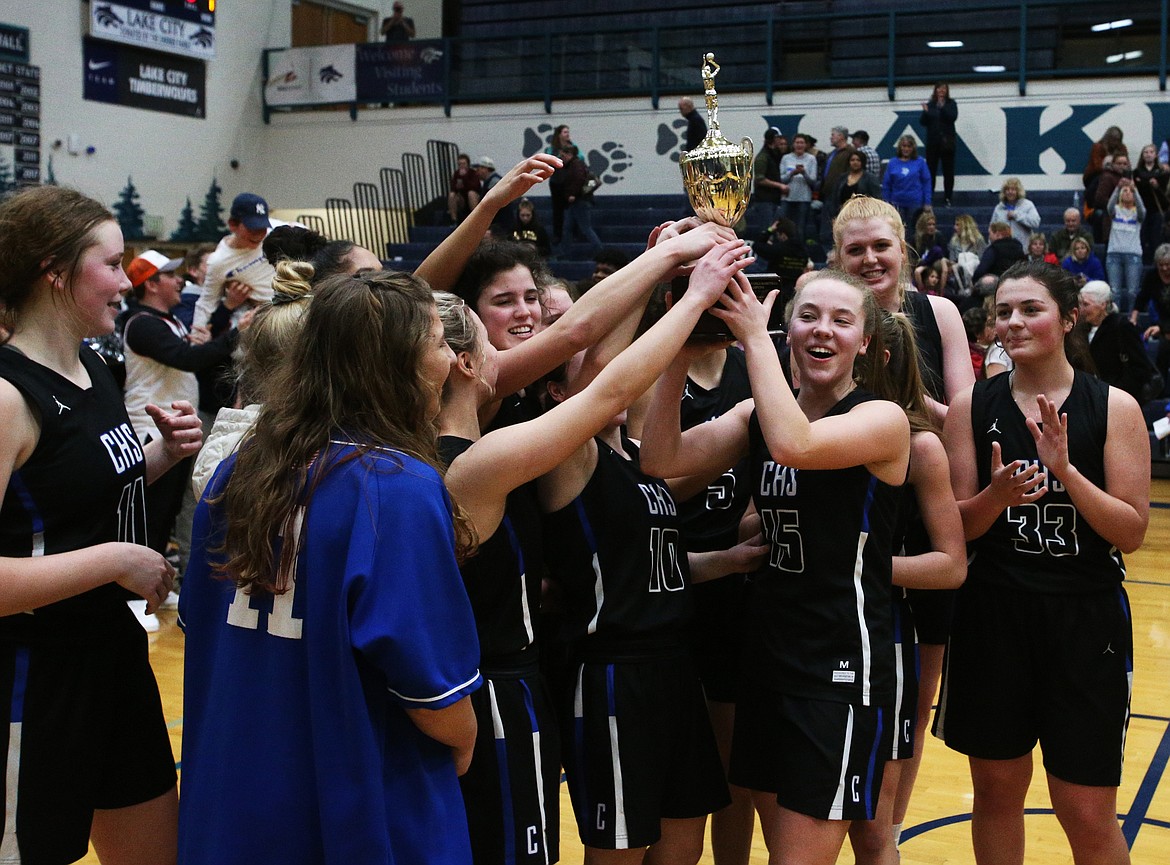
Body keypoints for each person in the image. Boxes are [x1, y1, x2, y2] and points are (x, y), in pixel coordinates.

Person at [436, 237, 756, 865]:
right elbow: (601, 375)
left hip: (674, 665)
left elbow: (643, 567)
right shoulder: (566, 456)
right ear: (559, 395)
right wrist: (681, 297)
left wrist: (731, 561)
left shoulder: (639, 458)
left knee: (682, 850)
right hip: (611, 672)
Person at [179, 270, 482, 865]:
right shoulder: (397, 487)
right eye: (440, 342)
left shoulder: (235, 471)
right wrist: (465, 735)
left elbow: (201, 627)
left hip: (235, 794)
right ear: (398, 364)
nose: (451, 357)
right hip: (356, 797)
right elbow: (433, 691)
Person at [640, 269, 911, 865]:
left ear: (865, 343)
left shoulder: (882, 419)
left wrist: (755, 340)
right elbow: (661, 459)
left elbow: (798, 445)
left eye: (843, 321)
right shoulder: (756, 413)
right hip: (766, 655)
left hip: (838, 667)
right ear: (790, 326)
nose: (823, 330)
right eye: (809, 315)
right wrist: (679, 355)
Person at [0, 185, 202, 865]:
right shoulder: (6, 397)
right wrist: (117, 559)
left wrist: (162, 455)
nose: (127, 282)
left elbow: (71, 495)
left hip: (114, 657)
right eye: (112, 265)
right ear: (55, 272)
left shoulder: (91, 365)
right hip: (34, 676)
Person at [937, 260, 1149, 865]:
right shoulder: (970, 407)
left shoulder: (1114, 407)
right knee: (997, 793)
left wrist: (1064, 470)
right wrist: (994, 497)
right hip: (993, 616)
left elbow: (1130, 532)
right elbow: (959, 528)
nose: (1014, 322)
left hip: (1085, 622)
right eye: (1003, 311)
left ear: (1068, 317)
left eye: (1031, 309)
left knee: (1084, 806)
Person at [832, 196, 975, 841]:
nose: (868, 260)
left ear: (903, 252)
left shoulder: (937, 311)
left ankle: (886, 831)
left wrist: (912, 412)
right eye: (855, 250)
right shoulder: (823, 315)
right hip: (844, 506)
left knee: (913, 707)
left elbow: (962, 420)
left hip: (920, 507)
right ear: (838, 255)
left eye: (879, 248)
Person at [193, 192, 280, 329]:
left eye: (262, 227)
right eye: (252, 228)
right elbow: (207, 302)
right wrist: (197, 335)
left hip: (294, 302)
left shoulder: (275, 231)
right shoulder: (219, 261)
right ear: (233, 225)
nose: (258, 234)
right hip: (263, 314)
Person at [1079, 279, 1164, 403]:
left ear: (1103, 304)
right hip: (1092, 398)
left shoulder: (1122, 326)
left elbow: (1140, 368)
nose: (1081, 309)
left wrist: (1114, 393)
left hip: (1117, 400)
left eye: (1086, 305)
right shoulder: (1082, 329)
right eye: (1080, 304)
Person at [1131, 242, 1170, 389]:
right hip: (1163, 322)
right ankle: (1160, 388)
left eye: (1168, 265)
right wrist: (1134, 317)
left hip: (1163, 325)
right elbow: (1142, 298)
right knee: (1162, 349)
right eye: (1161, 265)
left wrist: (1161, 327)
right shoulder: (1152, 276)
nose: (1165, 268)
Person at [1105, 177, 1146, 313]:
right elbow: (1109, 206)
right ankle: (1115, 320)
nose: (1127, 193)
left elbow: (1143, 211)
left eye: (1130, 191)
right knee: (1115, 291)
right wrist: (1117, 188)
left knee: (1132, 292)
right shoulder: (1115, 210)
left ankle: (1130, 320)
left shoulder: (1137, 214)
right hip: (1114, 254)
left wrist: (1136, 192)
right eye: (1125, 191)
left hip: (1133, 254)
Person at [555, 144, 601, 258]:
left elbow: (578, 179)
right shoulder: (576, 164)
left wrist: (573, 194)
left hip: (578, 201)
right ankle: (564, 252)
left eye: (563, 155)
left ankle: (599, 250)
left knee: (584, 228)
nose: (562, 158)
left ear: (569, 154)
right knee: (568, 228)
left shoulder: (576, 165)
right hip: (577, 201)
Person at [881, 136, 932, 230]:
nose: (906, 149)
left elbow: (926, 183)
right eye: (904, 146)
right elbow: (886, 185)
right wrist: (886, 203)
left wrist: (927, 202)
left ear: (913, 148)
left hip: (915, 203)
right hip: (896, 203)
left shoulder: (920, 162)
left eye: (909, 146)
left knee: (914, 230)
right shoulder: (892, 163)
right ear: (900, 147)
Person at [920, 82, 958, 206]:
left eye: (944, 89)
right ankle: (929, 197)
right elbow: (923, 122)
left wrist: (942, 108)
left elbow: (952, 117)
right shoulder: (930, 105)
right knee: (930, 171)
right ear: (935, 90)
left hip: (947, 144)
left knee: (948, 172)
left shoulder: (951, 104)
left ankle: (948, 197)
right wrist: (926, 112)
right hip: (933, 143)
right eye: (939, 89)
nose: (941, 91)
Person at [779, 133, 818, 244]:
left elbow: (813, 181)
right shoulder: (786, 158)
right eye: (797, 142)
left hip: (804, 198)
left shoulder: (811, 159)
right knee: (784, 227)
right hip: (787, 198)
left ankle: (799, 253)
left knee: (800, 228)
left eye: (802, 143)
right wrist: (792, 173)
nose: (799, 145)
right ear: (793, 144)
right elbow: (781, 179)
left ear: (806, 145)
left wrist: (804, 173)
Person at [1133, 143, 1169, 262]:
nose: (1148, 155)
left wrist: (1157, 186)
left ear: (1156, 155)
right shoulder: (1136, 172)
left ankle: (1156, 263)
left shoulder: (1162, 172)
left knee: (1156, 239)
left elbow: (1164, 196)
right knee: (1142, 238)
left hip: (1157, 210)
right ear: (1142, 156)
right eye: (1146, 152)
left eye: (1151, 152)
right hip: (1141, 210)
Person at [989, 178, 1041, 248]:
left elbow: (1035, 222)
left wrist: (1016, 215)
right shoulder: (999, 208)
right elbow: (992, 229)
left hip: (1023, 249)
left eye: (1013, 189)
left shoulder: (1027, 205)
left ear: (1018, 191)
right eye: (1007, 190)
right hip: (1003, 250)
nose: (1010, 192)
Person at [545, 126, 575, 243]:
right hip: (556, 182)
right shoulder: (552, 148)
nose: (567, 134)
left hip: (568, 181)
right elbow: (548, 160)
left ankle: (570, 233)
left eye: (568, 132)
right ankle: (558, 234)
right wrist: (559, 157)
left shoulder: (572, 146)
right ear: (559, 134)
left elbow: (580, 158)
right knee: (557, 210)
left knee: (570, 209)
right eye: (565, 132)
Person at [449, 153, 483, 225]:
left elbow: (475, 186)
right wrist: (457, 187)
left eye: (464, 164)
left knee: (471, 193)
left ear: (468, 164)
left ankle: (475, 218)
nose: (462, 166)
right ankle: (453, 220)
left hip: (473, 197)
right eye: (460, 164)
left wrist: (464, 178)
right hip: (462, 198)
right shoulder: (456, 174)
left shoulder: (473, 173)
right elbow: (452, 187)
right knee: (452, 195)